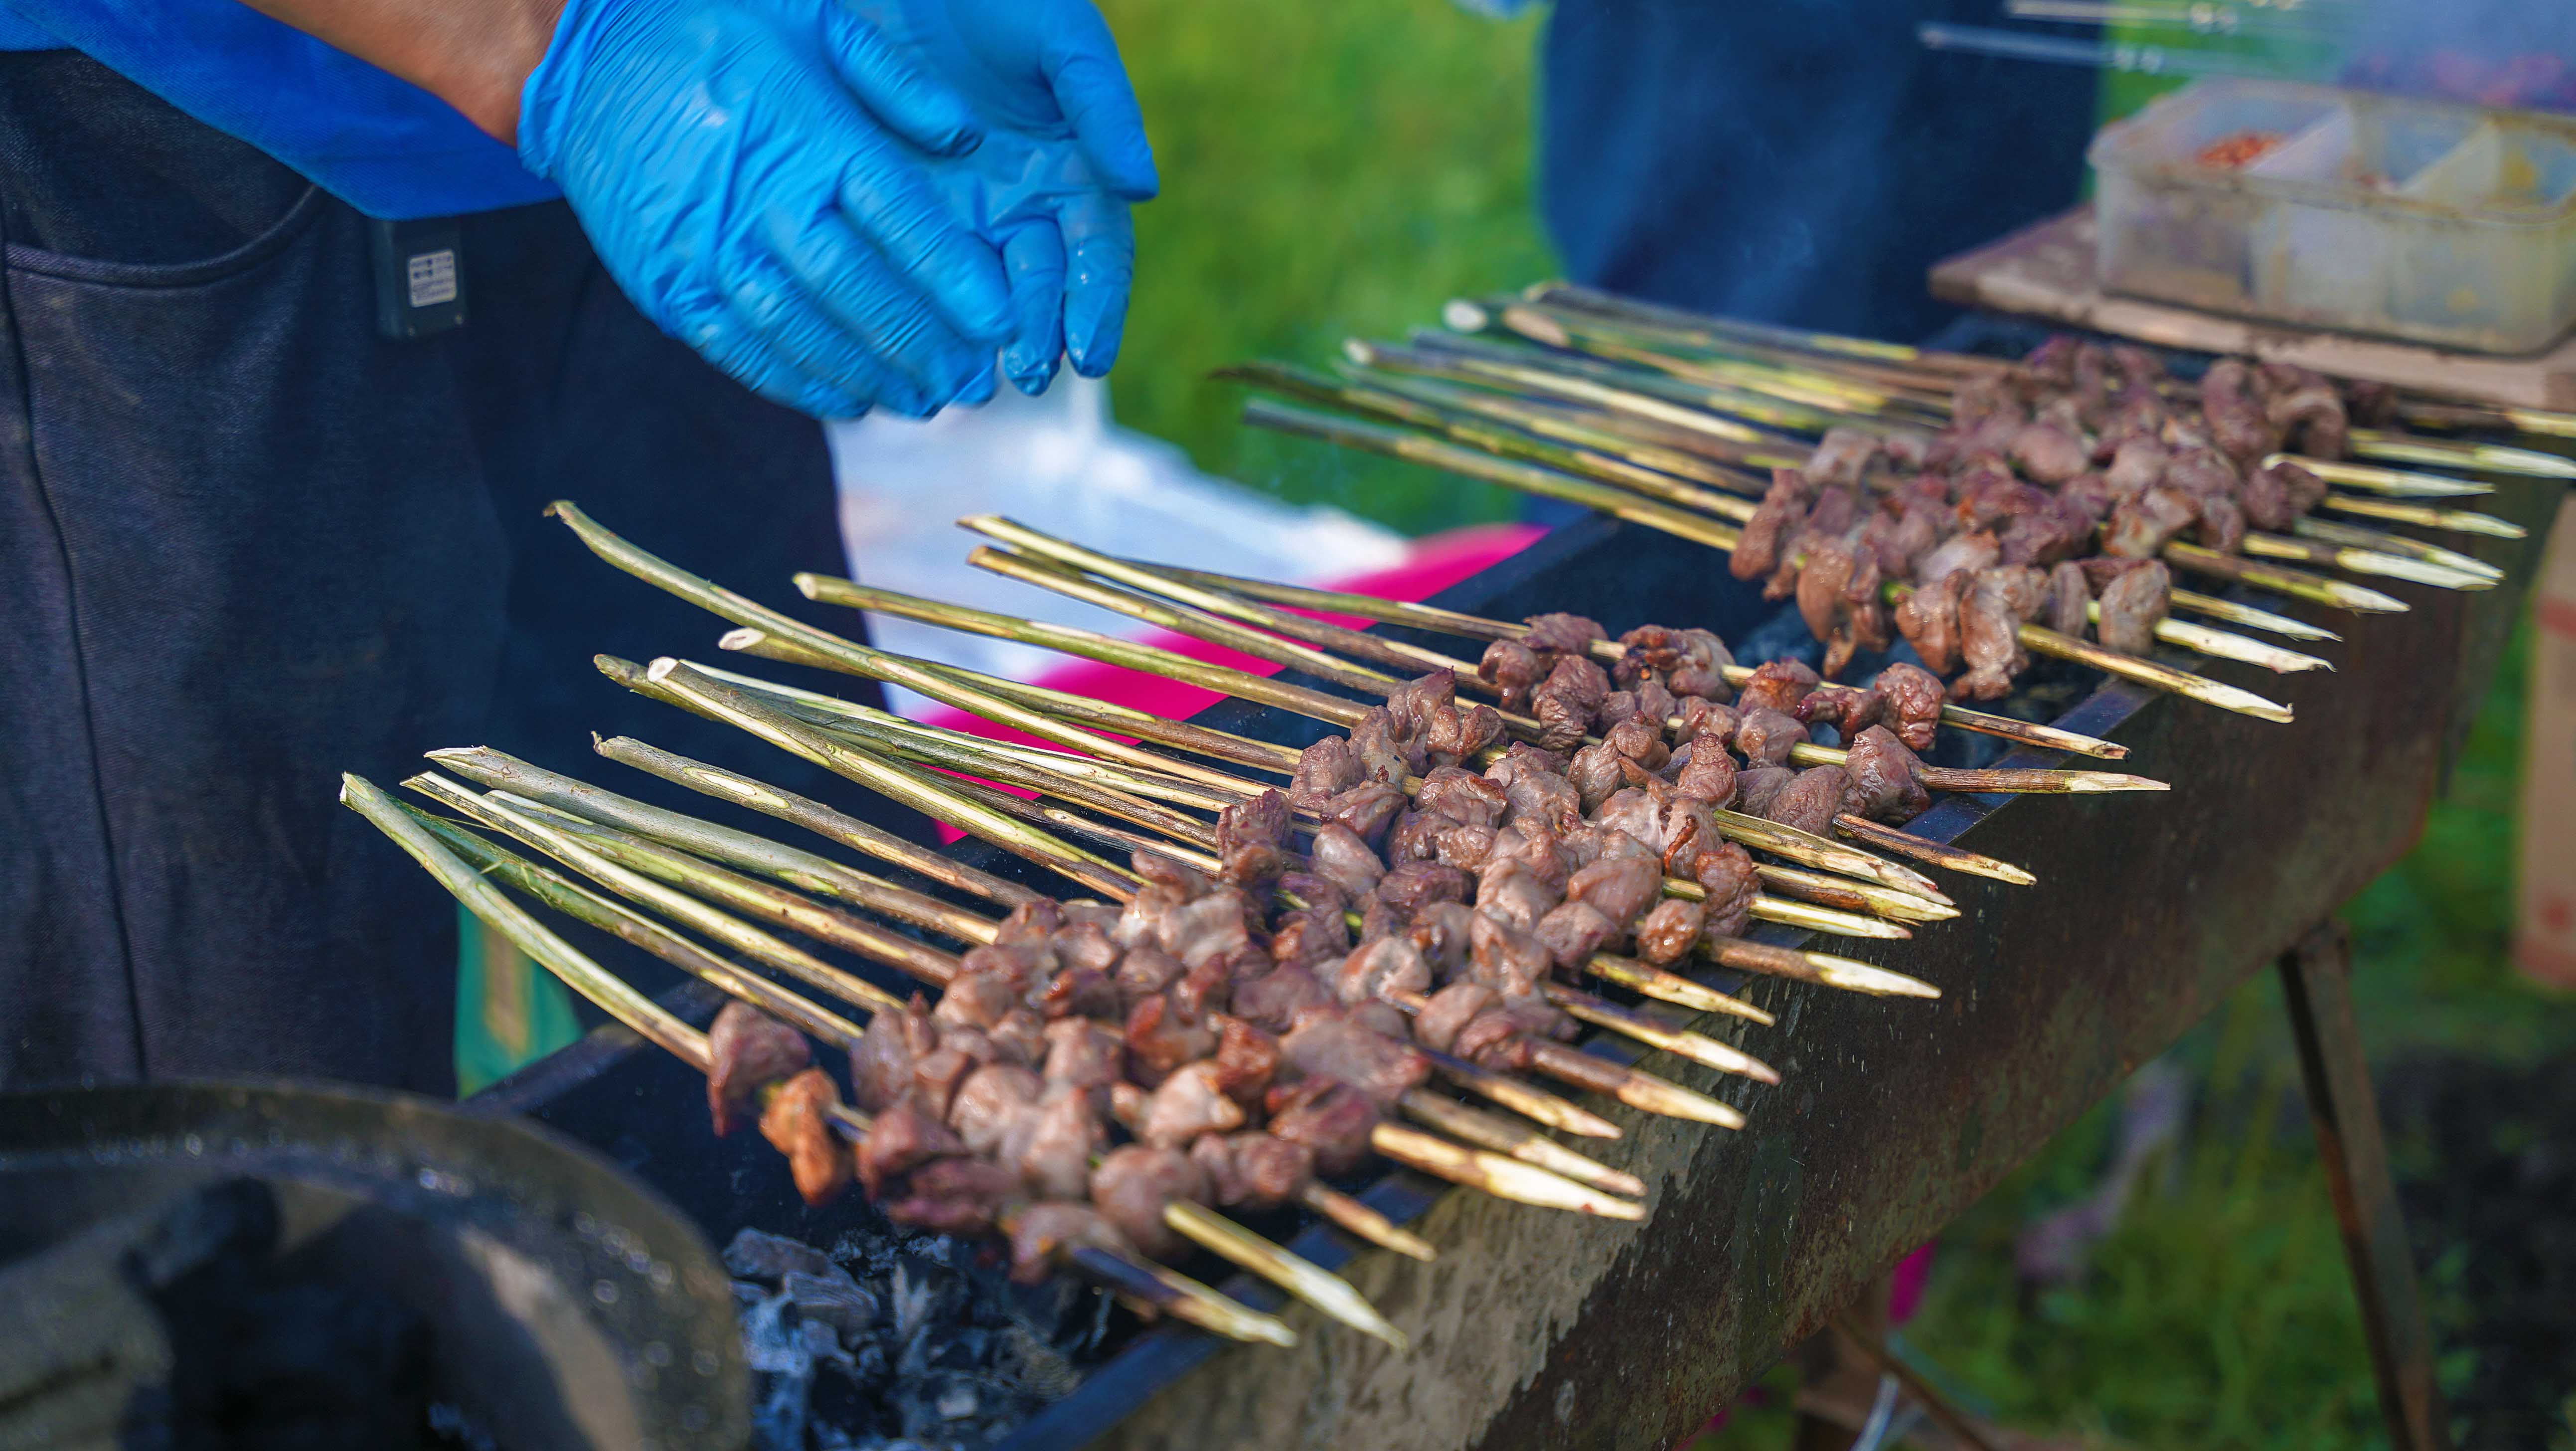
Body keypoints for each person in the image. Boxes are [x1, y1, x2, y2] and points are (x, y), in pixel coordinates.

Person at [0, 0, 1152, 1095]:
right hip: (176, 146)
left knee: (828, 937)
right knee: (254, 1094)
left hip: (701, 88)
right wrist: (541, 36)